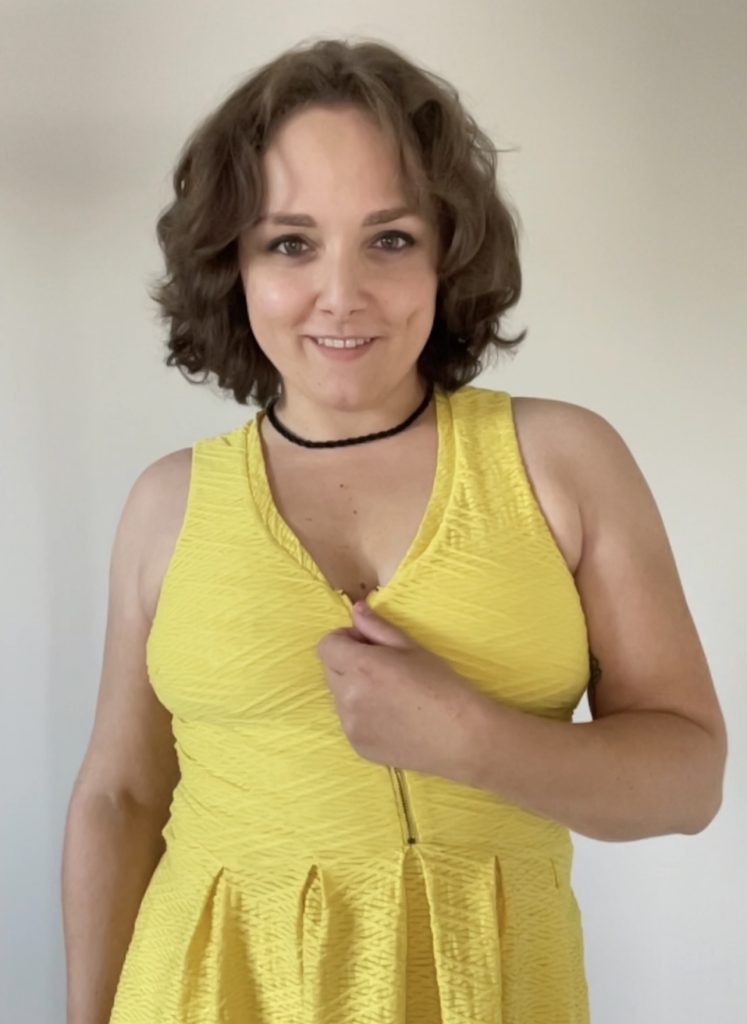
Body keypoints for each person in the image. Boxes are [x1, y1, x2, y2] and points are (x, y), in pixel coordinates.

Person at [62, 37, 727, 1024]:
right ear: (230, 262)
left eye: (390, 239)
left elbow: (689, 779)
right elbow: (118, 798)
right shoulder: (166, 505)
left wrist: (473, 740)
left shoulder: (561, 462)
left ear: (449, 253)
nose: (341, 294)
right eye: (290, 243)